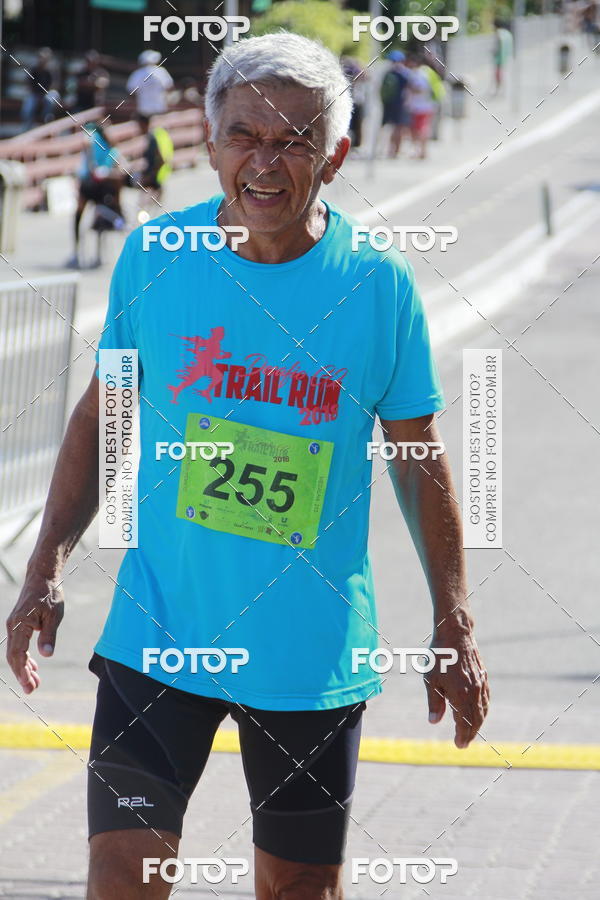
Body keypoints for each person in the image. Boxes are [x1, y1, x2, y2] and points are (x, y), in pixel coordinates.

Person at [6, 31, 489, 899]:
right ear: (213, 138)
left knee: (301, 885)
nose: (264, 163)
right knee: (123, 872)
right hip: (160, 634)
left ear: (335, 157)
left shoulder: (377, 284)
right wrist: (44, 566)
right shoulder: (156, 257)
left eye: (295, 141)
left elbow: (417, 456)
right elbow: (105, 411)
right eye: (244, 136)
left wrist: (452, 619)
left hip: (307, 647)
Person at [68, 122, 124, 269]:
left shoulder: (112, 149)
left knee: (98, 218)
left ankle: (95, 254)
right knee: (80, 216)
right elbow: (86, 142)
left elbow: (117, 168)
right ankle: (77, 253)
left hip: (98, 185)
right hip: (90, 182)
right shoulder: (96, 136)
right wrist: (92, 165)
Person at [128, 113, 174, 209]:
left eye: (139, 125)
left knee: (147, 208)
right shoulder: (148, 138)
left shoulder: (152, 139)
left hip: (151, 180)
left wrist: (150, 176)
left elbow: (161, 161)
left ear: (144, 124)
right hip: (149, 179)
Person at [404, 54, 436, 160]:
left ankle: (420, 151)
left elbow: (420, 89)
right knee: (418, 130)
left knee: (419, 130)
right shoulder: (425, 73)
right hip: (424, 106)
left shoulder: (419, 74)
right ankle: (421, 151)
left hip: (419, 107)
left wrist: (410, 88)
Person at [380, 49, 411, 157]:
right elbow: (410, 88)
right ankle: (395, 151)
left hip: (387, 103)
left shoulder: (388, 73)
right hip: (400, 104)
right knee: (399, 127)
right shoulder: (405, 73)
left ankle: (385, 149)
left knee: (386, 126)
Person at [21, 48, 60, 130]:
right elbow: (29, 85)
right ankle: (26, 128)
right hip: (35, 94)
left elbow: (54, 85)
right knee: (29, 105)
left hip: (46, 94)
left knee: (53, 96)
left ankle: (46, 120)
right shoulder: (33, 69)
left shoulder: (51, 71)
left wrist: (43, 95)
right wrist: (38, 95)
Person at [126, 50, 174, 117]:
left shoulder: (137, 74)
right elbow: (169, 87)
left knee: (146, 126)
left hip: (143, 108)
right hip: (160, 107)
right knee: (159, 126)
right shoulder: (161, 71)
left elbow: (131, 91)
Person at [492, 20, 514, 96]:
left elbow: (499, 44)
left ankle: (498, 90)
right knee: (503, 74)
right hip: (506, 57)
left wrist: (495, 52)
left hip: (499, 58)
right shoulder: (507, 33)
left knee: (498, 75)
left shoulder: (499, 33)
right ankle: (503, 90)